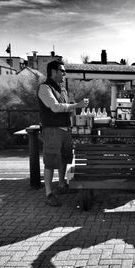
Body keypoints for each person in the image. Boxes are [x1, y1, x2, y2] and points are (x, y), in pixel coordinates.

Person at [37, 60, 88, 206]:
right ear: (53, 72)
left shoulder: (63, 89)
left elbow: (67, 108)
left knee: (64, 158)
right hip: (52, 130)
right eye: (62, 71)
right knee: (51, 161)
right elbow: (55, 107)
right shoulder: (44, 88)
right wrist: (76, 105)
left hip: (65, 129)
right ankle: (49, 193)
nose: (65, 73)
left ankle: (61, 185)